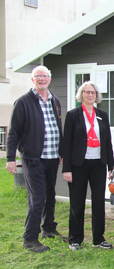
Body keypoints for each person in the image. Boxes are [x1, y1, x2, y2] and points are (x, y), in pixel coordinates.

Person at [6, 65, 65, 253]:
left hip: (52, 157)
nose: (42, 79)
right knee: (37, 197)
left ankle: (49, 229)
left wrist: (61, 151)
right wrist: (10, 158)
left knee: (50, 195)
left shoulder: (55, 100)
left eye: (45, 76)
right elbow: (13, 132)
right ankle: (30, 238)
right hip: (33, 158)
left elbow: (57, 127)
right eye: (38, 76)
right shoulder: (23, 102)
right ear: (32, 80)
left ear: (50, 78)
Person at [62, 81, 114, 251]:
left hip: (98, 163)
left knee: (99, 201)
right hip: (79, 164)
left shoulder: (102, 115)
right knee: (77, 202)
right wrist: (67, 169)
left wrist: (111, 166)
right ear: (81, 95)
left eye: (93, 92)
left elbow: (107, 142)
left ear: (97, 95)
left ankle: (98, 239)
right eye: (87, 92)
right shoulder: (72, 115)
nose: (90, 95)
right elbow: (66, 144)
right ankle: (75, 239)